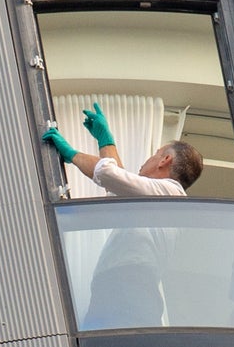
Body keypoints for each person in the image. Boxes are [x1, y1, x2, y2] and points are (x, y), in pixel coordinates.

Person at [42, 102, 203, 328]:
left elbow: (109, 174)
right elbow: (119, 186)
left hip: (128, 287)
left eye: (155, 154)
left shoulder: (170, 192)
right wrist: (105, 141)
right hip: (122, 289)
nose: (146, 160)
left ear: (165, 160)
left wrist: (71, 154)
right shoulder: (160, 200)